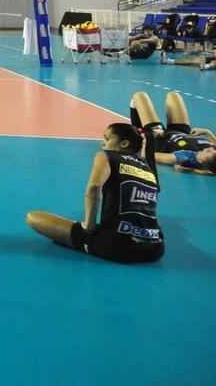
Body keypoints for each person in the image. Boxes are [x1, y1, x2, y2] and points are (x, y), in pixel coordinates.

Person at [25, 96, 164, 263]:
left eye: (107, 138)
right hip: (156, 248)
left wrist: (88, 226)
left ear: (124, 144)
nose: (102, 143)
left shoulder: (107, 156)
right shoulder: (147, 168)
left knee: (34, 218)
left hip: (119, 246)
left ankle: (88, 240)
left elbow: (94, 187)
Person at [146, 91, 216, 175]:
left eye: (209, 152)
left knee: (141, 97)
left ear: (202, 161)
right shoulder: (211, 153)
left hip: (161, 138)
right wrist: (207, 132)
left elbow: (148, 155)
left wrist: (193, 171)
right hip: (183, 131)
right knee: (173, 95)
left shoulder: (185, 157)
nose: (210, 148)